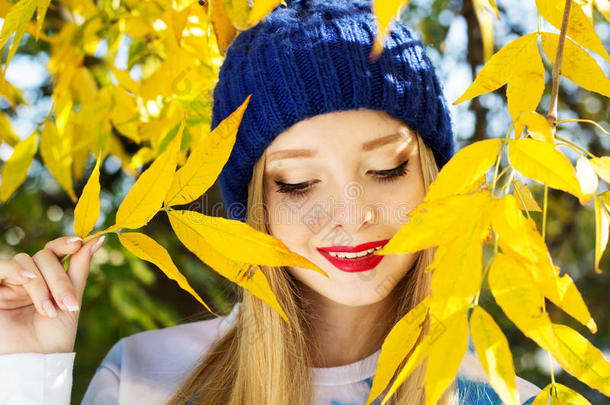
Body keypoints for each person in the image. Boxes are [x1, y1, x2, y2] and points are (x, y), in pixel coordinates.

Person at [0, 0, 543, 404]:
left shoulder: (503, 396)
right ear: (252, 208)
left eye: (386, 170)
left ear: (433, 181)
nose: (352, 215)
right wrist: (25, 373)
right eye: (299, 183)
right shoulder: (146, 380)